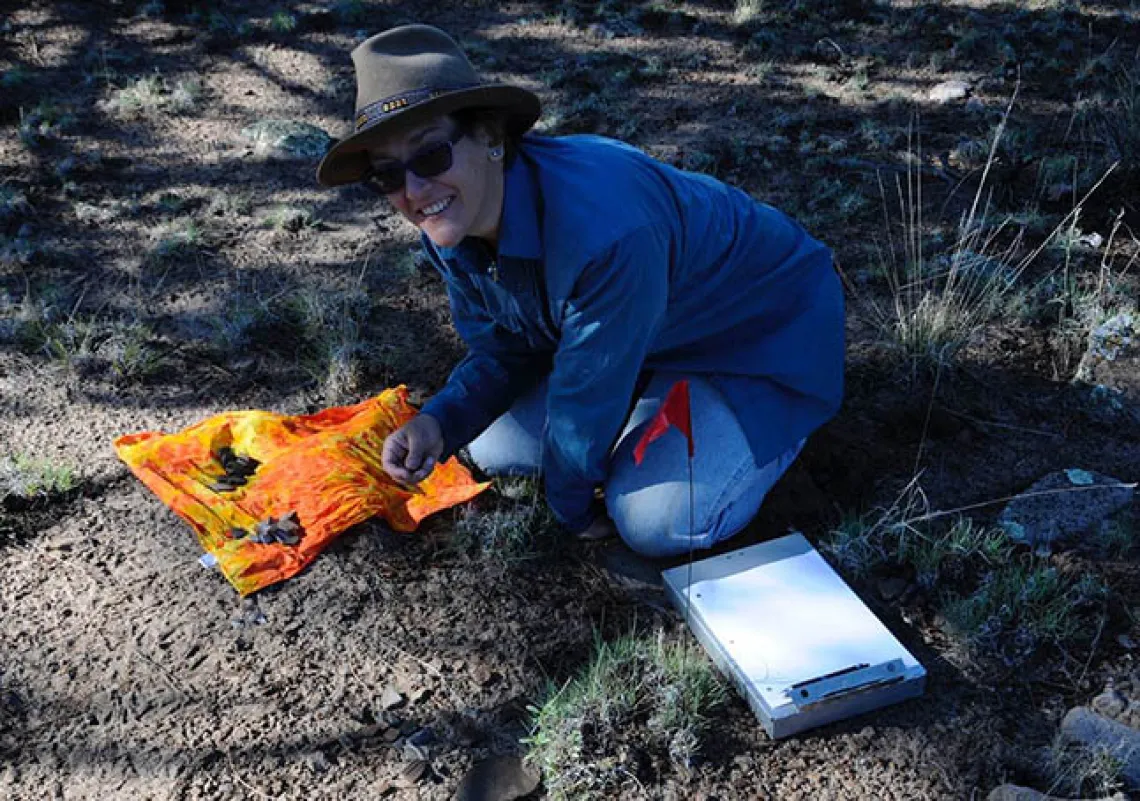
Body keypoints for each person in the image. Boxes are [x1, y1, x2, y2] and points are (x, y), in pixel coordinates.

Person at [316, 24, 844, 559]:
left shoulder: (604, 234)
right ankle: (656, 405)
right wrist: (440, 420)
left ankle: (770, 426)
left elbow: (585, 402)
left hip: (760, 337)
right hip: (653, 335)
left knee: (653, 522)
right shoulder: (452, 219)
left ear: (492, 138)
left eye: (430, 157)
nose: (412, 191)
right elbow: (506, 349)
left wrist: (571, 509)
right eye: (386, 176)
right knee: (493, 445)